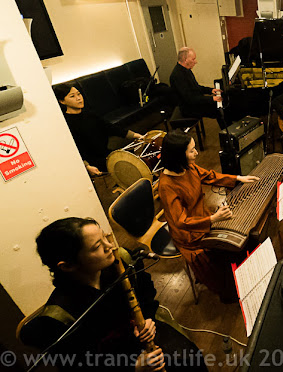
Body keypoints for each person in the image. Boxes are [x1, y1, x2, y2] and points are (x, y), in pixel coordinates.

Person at [24, 217, 207, 371]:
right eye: (97, 246)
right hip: (113, 360)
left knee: (190, 360)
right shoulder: (58, 317)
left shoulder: (122, 260)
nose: (110, 246)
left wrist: (148, 318)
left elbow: (146, 293)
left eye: (105, 237)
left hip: (141, 333)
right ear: (68, 266)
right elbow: (78, 365)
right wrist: (133, 366)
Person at [157, 130, 259, 302]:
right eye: (191, 150)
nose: (196, 153)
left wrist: (238, 178)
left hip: (204, 219)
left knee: (247, 239)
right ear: (178, 156)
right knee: (228, 256)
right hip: (190, 235)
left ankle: (249, 273)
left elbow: (210, 176)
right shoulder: (167, 185)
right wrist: (213, 219)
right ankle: (233, 289)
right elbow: (180, 221)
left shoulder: (188, 167)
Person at [53, 83, 144, 177]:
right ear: (62, 101)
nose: (79, 98)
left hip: (107, 154)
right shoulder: (66, 124)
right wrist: (87, 166)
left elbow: (110, 128)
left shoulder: (90, 115)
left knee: (137, 156)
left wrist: (136, 135)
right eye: (72, 96)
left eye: (79, 94)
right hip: (93, 162)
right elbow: (76, 148)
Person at [169, 47, 224, 127]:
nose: (196, 62)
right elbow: (190, 99)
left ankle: (227, 132)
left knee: (218, 106)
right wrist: (211, 98)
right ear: (185, 59)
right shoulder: (177, 76)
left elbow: (196, 87)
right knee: (218, 109)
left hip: (193, 102)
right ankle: (227, 135)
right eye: (193, 59)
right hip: (188, 108)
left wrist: (210, 90)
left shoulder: (186, 69)